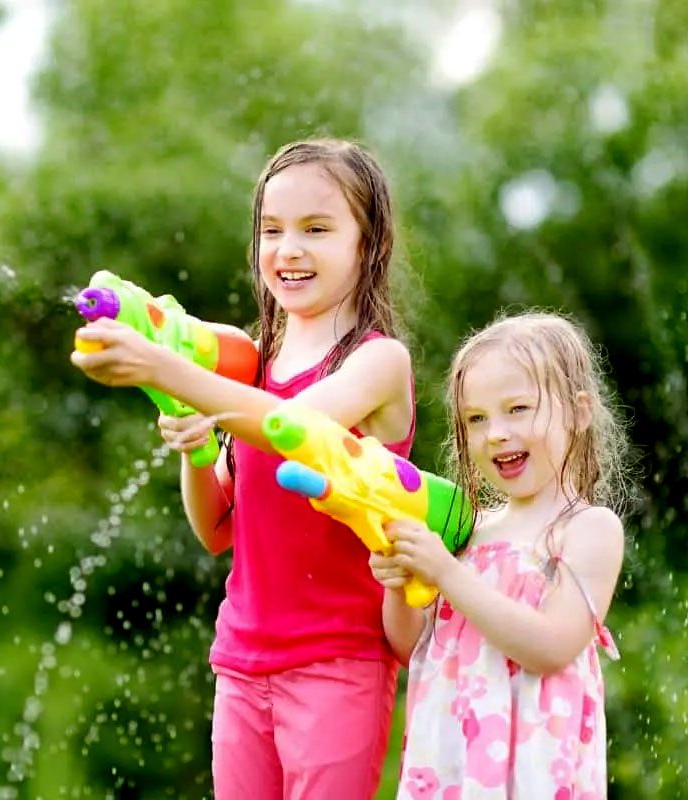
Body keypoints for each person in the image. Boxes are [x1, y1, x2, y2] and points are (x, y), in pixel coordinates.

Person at [71, 138, 415, 799]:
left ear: (368, 245)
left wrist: (166, 369)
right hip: (242, 663)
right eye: (272, 230)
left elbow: (295, 429)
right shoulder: (253, 366)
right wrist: (197, 448)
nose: (289, 249)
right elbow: (216, 529)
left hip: (338, 663)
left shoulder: (378, 363)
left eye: (317, 229)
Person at [369, 311, 634, 799]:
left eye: (518, 409)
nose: (495, 433)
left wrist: (446, 572)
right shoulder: (467, 531)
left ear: (579, 412)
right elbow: (414, 650)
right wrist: (402, 582)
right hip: (451, 769)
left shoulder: (586, 530)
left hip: (532, 773)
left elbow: (552, 646)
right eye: (477, 418)